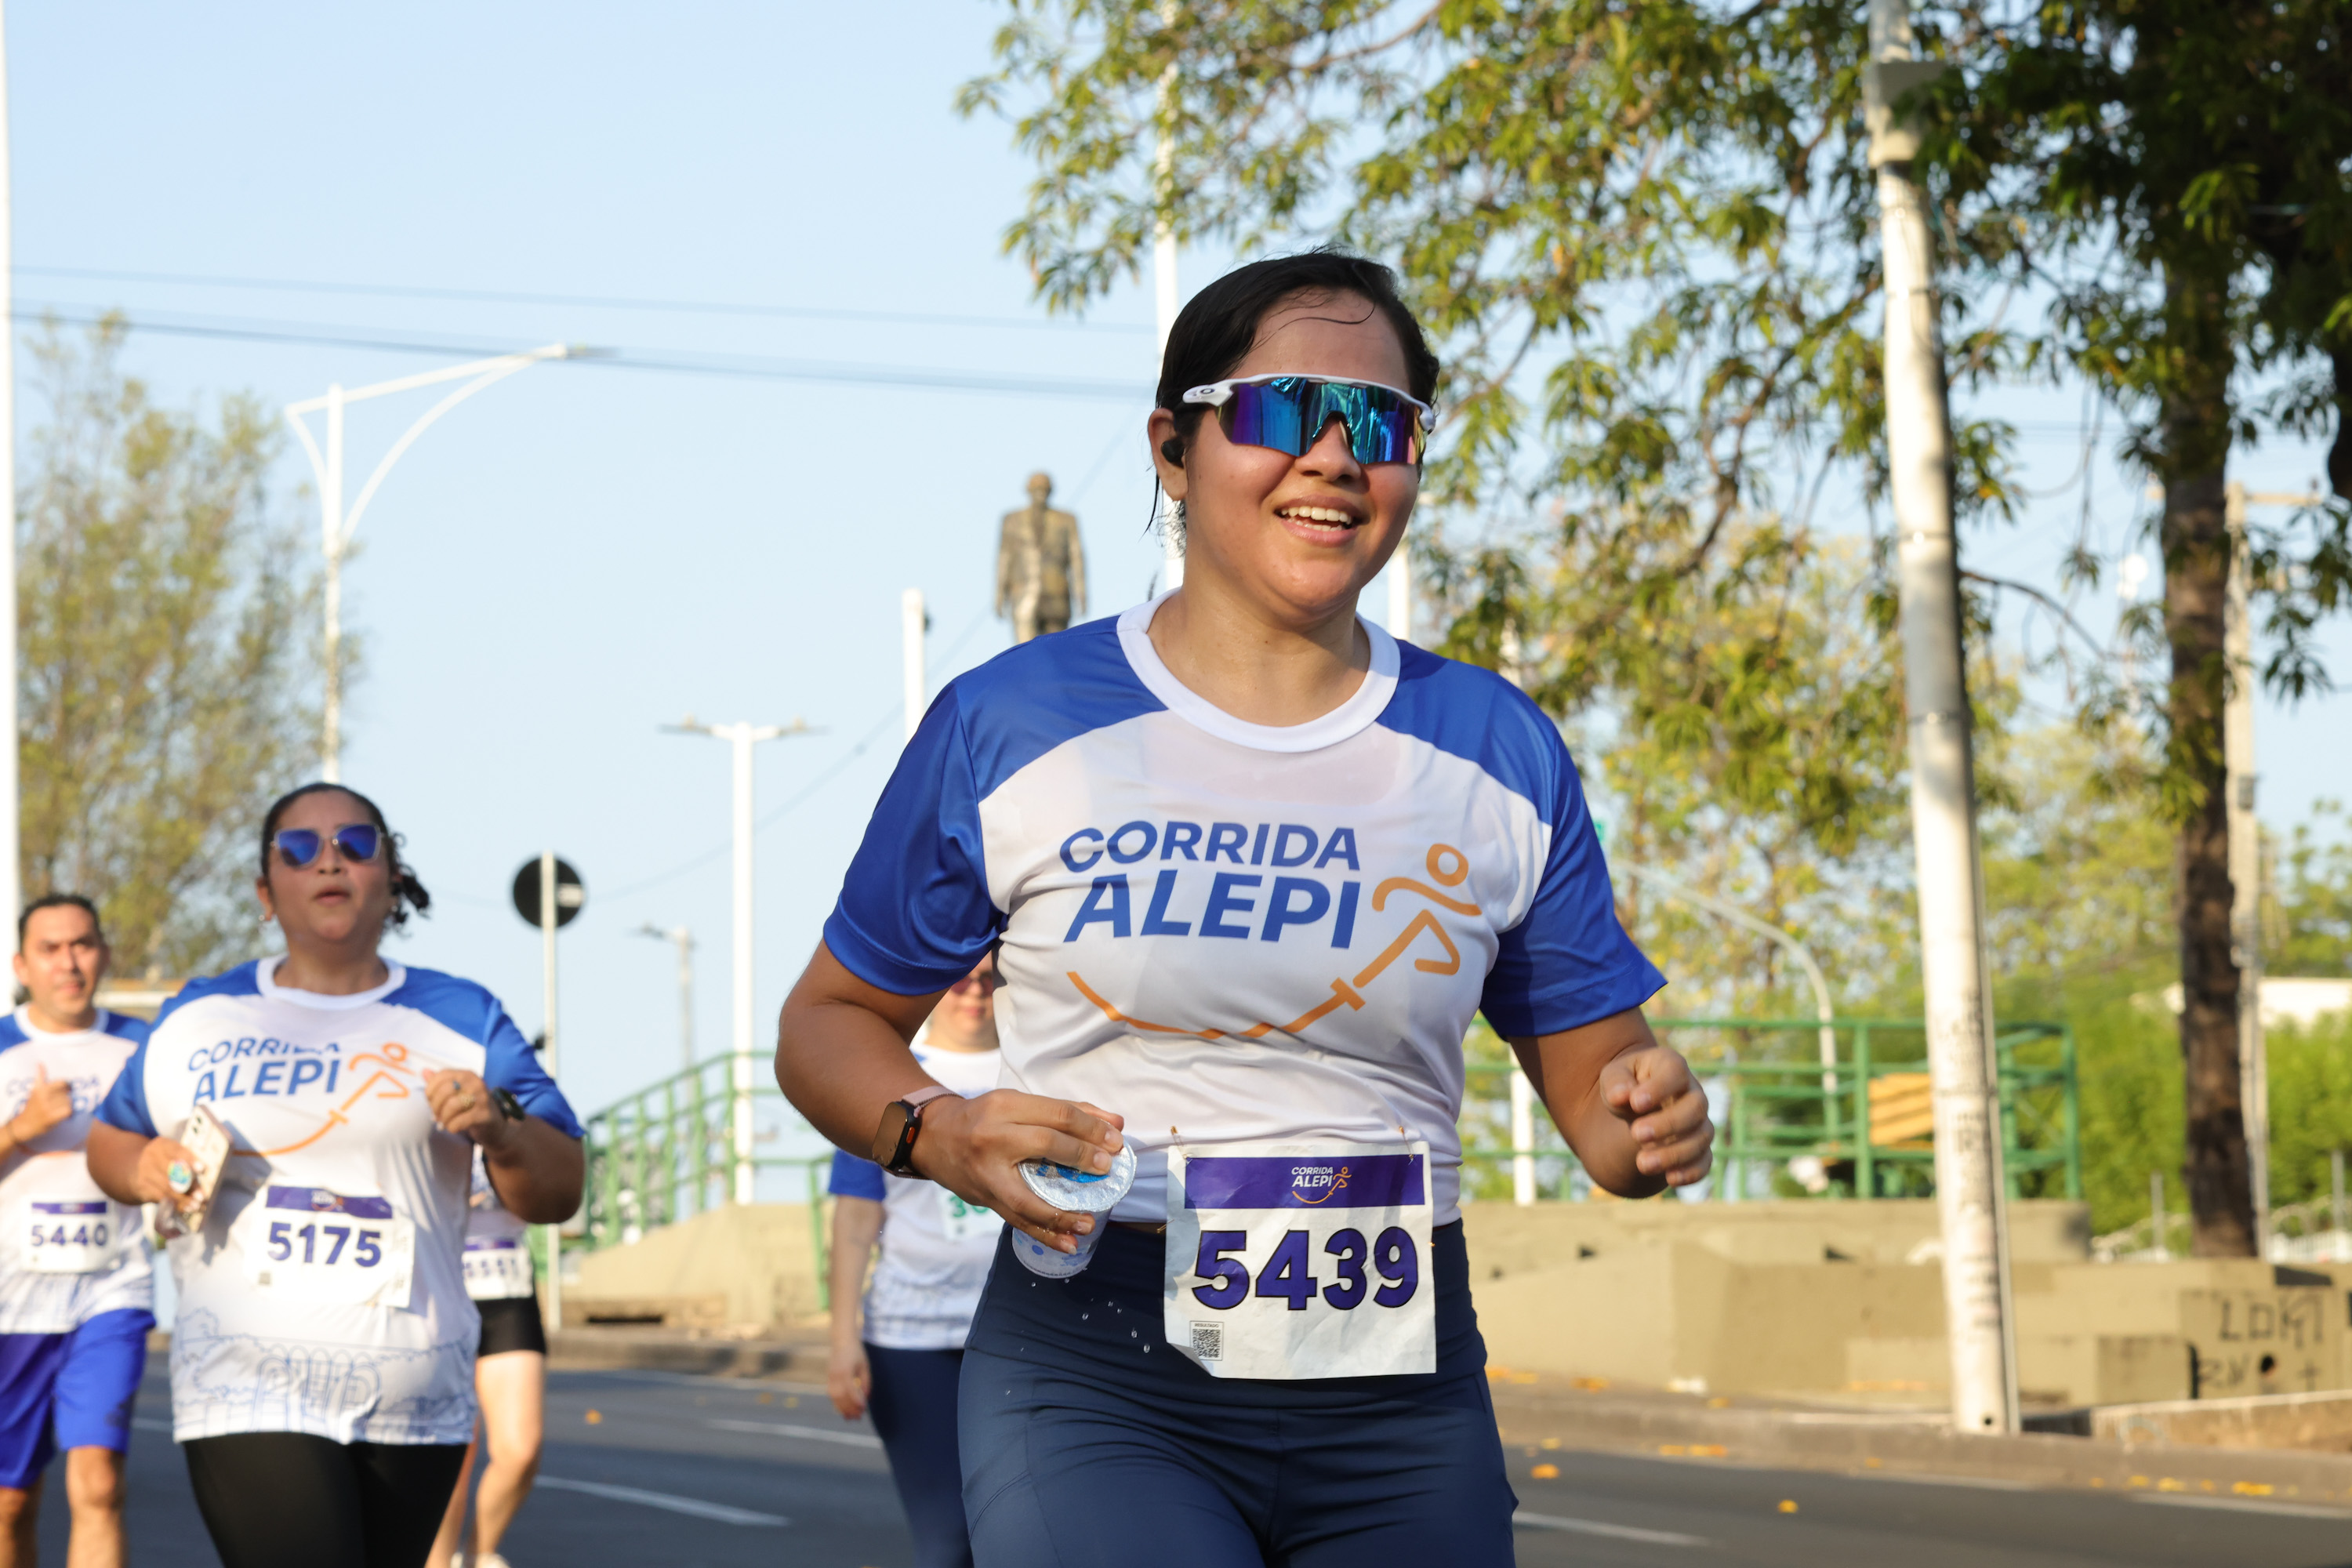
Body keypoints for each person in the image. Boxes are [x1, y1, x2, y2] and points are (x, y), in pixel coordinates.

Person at [775, 249, 1715, 1567]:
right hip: (1098, 1374)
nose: (1334, 457)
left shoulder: (1497, 746)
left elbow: (1601, 1087)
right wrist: (936, 1133)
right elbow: (825, 1023)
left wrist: (1651, 1114)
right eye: (1282, 411)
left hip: (1402, 1391)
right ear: (1174, 445)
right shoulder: (1012, 722)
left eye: (1380, 425)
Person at [86, 783, 586, 1568]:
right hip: (245, 1379)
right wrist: (142, 1163)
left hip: (413, 1397)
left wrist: (500, 1125)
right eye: (299, 846)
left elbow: (559, 1187)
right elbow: (110, 1136)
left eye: (356, 843)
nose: (329, 858)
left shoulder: (462, 1015)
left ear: (390, 880)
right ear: (265, 890)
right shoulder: (200, 1015)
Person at [826, 954, 1001, 1568]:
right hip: (911, 1335)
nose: (974, 992)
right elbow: (855, 1218)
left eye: (990, 977)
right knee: (951, 1540)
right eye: (960, 979)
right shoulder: (893, 1079)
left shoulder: (1035, 1071)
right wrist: (842, 1338)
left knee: (1016, 1535)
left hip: (1020, 1332)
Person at [0, 895, 152, 1568]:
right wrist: (20, 1131)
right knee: (10, 1505)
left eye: (83, 945)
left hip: (111, 1289)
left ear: (104, 954)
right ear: (21, 965)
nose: (69, 962)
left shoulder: (144, 1049)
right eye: (51, 949)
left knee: (98, 1483)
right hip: (12, 1304)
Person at [426, 1143, 547, 1568]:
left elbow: (556, 1191)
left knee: (521, 1449)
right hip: (441, 1289)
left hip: (507, 1286)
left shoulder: (516, 1101)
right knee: (450, 1458)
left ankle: (480, 1552)